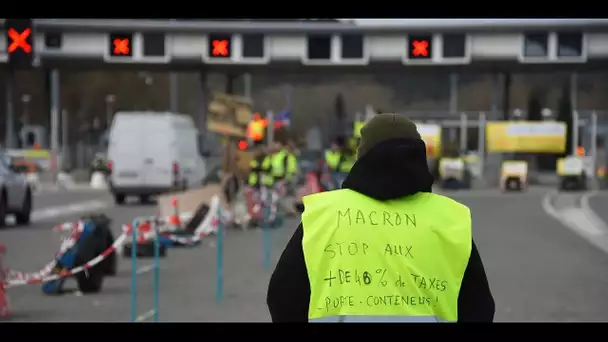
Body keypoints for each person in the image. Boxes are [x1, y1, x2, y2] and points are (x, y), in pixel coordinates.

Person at [267, 114, 495, 323]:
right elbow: (480, 308)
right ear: (419, 156)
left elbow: (282, 297)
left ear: (362, 157)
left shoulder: (323, 215)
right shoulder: (450, 219)